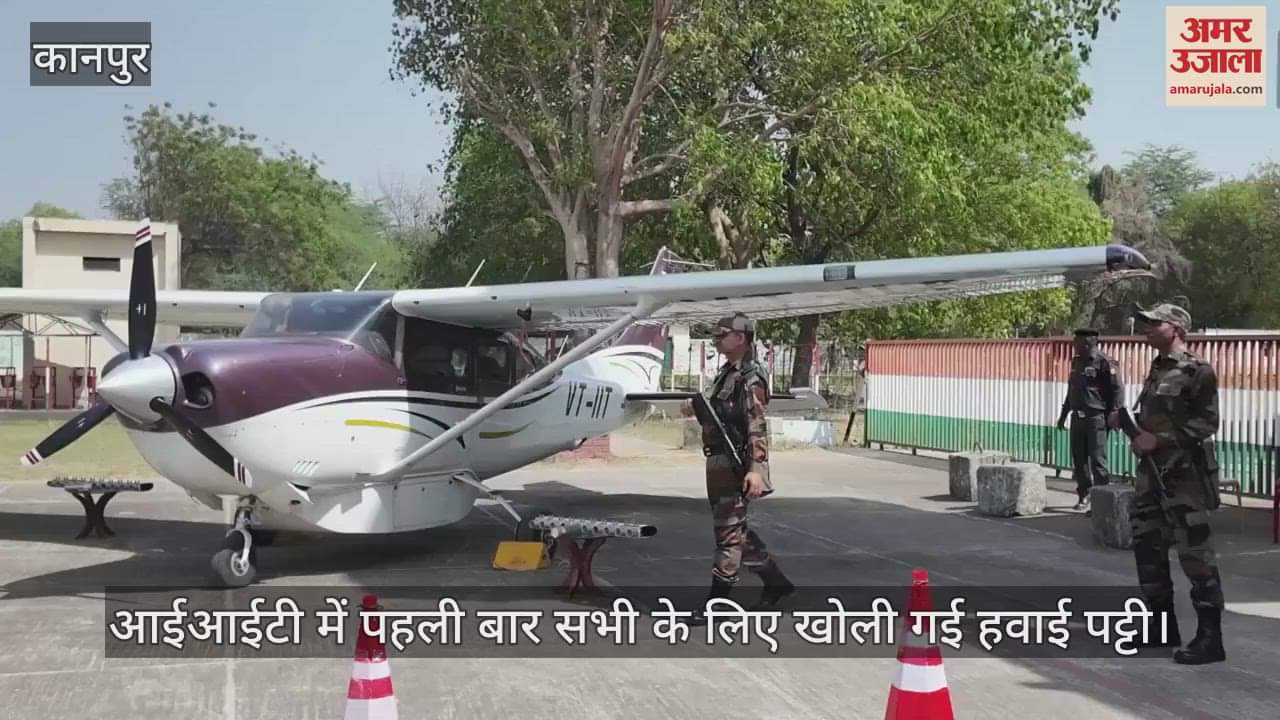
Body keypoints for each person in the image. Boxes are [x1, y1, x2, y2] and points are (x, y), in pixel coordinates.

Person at [681, 313, 794, 623]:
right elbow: (722, 415)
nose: (717, 339)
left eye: (723, 334)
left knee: (728, 536)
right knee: (736, 531)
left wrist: (756, 468)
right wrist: (696, 407)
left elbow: (756, 425)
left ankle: (716, 605)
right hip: (717, 462)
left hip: (735, 464)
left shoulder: (751, 376)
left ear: (741, 339)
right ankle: (776, 584)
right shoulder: (726, 374)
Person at [1129, 302, 1225, 664]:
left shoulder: (1197, 370)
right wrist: (1138, 433)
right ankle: (1160, 627)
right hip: (1151, 477)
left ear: (1176, 328)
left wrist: (1161, 441)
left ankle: (1210, 638)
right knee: (1147, 548)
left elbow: (1207, 423)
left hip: (1184, 479)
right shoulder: (1156, 368)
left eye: (1154, 323)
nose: (1147, 328)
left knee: (1196, 557)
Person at [1056, 328, 1123, 511]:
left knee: (1097, 460)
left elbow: (1117, 391)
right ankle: (1084, 494)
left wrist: (1114, 414)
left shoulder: (1104, 362)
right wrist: (1063, 415)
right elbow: (1072, 391)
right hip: (1077, 417)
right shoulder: (1077, 362)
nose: (1074, 346)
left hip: (1097, 419)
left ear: (1088, 343)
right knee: (1079, 460)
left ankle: (1101, 500)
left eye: (1076, 342)